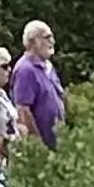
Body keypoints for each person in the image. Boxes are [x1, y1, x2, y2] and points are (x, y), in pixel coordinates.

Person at [12, 19, 66, 150]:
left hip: (58, 140)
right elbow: (23, 111)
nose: (52, 42)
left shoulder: (48, 66)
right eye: (47, 37)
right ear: (32, 42)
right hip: (43, 146)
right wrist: (38, 145)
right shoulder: (25, 70)